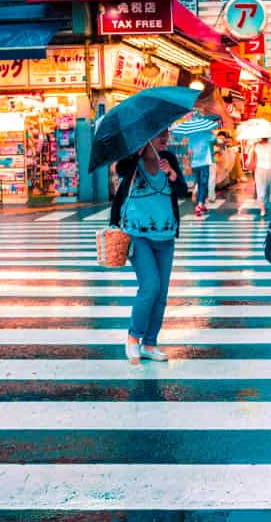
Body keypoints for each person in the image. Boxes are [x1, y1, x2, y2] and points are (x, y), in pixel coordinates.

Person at [111, 129, 189, 365]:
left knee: (161, 294)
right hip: (137, 234)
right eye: (158, 135)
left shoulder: (170, 159)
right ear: (146, 138)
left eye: (166, 134)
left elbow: (183, 192)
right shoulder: (133, 161)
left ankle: (150, 343)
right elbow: (120, 171)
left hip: (165, 234)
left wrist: (173, 175)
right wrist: (137, 153)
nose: (164, 138)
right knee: (150, 287)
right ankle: (133, 338)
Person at [252, 135, 271, 216]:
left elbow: (251, 156)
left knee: (260, 189)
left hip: (260, 169)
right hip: (270, 169)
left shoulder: (257, 145)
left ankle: (263, 210)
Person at [187, 129, 214, 217]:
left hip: (195, 164)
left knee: (199, 184)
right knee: (203, 184)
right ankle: (199, 205)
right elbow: (215, 140)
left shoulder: (191, 137)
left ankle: (202, 204)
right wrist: (211, 133)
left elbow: (189, 152)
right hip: (204, 164)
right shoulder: (206, 135)